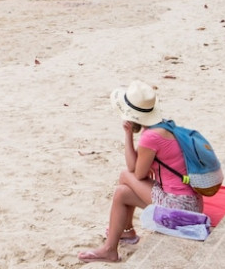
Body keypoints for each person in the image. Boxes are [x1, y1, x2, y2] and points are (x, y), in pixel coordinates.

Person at [77, 80, 202, 263]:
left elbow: (136, 173)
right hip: (192, 202)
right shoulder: (164, 127)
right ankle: (122, 237)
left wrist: (128, 135)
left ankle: (116, 242)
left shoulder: (150, 137)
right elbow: (138, 167)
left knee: (124, 177)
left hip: (180, 206)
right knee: (121, 192)